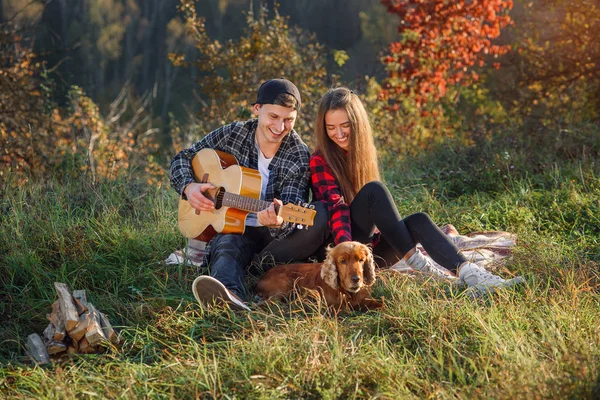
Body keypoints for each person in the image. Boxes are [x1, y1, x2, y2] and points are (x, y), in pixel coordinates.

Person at [310, 87, 523, 294]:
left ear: (357, 124)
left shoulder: (362, 153)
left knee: (419, 221)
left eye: (345, 125)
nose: (338, 134)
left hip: (368, 251)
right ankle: (420, 264)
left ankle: (472, 275)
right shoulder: (320, 160)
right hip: (341, 252)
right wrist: (346, 247)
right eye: (331, 128)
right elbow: (336, 207)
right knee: (374, 190)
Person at [170, 79, 328, 310]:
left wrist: (278, 222)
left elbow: (292, 210)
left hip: (271, 239)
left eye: (288, 120)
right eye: (273, 117)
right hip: (234, 230)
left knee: (308, 224)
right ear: (257, 109)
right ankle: (229, 296)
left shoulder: (298, 154)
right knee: (227, 242)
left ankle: (251, 266)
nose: (280, 127)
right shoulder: (235, 133)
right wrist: (189, 187)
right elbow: (183, 157)